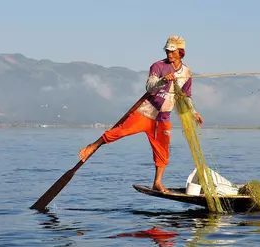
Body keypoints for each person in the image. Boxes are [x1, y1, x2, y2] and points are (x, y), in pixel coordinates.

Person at [79, 36, 204, 192]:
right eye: (167, 51)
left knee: (163, 152)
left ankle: (157, 182)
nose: (169, 54)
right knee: (120, 131)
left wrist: (194, 112)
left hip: (163, 117)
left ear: (181, 52)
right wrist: (163, 80)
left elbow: (186, 96)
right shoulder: (158, 66)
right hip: (146, 112)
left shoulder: (187, 72)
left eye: (172, 51)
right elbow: (149, 87)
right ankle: (93, 146)